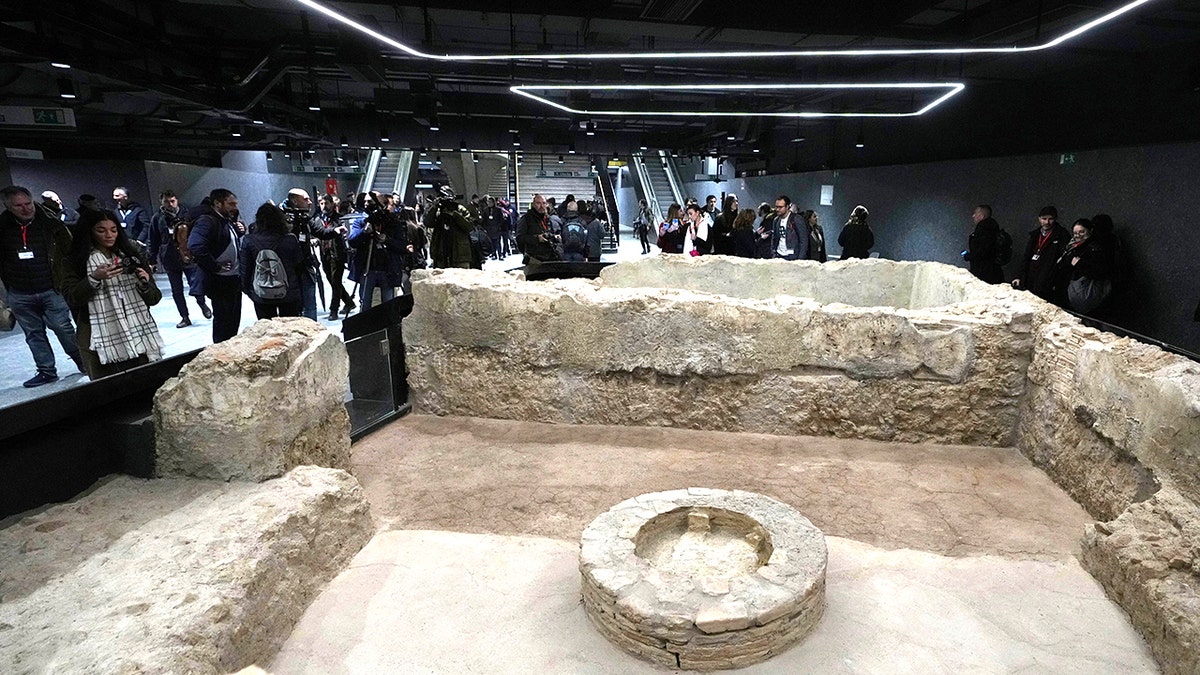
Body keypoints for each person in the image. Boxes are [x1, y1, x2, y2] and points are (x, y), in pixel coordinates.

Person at [56, 208, 163, 379]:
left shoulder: (131, 256)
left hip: (138, 331)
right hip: (96, 338)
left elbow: (154, 298)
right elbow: (72, 298)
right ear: (89, 231)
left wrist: (144, 283)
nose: (109, 235)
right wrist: (94, 278)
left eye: (113, 230)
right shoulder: (75, 261)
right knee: (108, 391)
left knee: (147, 384)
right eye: (101, 230)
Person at [0, 185, 84, 386]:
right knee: (34, 334)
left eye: (28, 203)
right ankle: (46, 371)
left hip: (51, 288)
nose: (25, 209)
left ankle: (83, 363)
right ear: (8, 206)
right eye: (18, 206)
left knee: (63, 328)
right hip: (19, 292)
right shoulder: (1, 228)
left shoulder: (50, 223)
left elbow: (69, 250)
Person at [187, 188, 244, 343]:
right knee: (224, 324)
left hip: (232, 279)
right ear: (217, 203)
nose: (235, 207)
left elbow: (226, 240)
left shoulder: (224, 220)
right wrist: (215, 266)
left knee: (232, 322)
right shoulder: (207, 220)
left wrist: (240, 231)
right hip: (220, 281)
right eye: (231, 204)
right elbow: (195, 246)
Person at [149, 190, 212, 328]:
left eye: (172, 201)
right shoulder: (157, 218)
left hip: (189, 256)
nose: (170, 204)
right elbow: (153, 240)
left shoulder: (187, 214)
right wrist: (152, 260)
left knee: (195, 284)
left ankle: (202, 304)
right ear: (161, 202)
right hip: (169, 258)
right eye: (166, 201)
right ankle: (184, 317)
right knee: (176, 291)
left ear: (177, 200)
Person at [239, 203, 304, 319]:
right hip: (288, 292)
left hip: (262, 292)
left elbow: (245, 269)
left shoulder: (249, 240)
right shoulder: (290, 239)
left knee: (266, 329)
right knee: (290, 329)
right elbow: (299, 267)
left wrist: (249, 291)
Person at [348, 192, 409, 309]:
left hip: (388, 269)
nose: (366, 204)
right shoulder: (361, 221)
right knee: (364, 305)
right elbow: (352, 241)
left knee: (388, 305)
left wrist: (387, 240)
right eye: (365, 201)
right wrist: (364, 232)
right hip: (367, 269)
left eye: (370, 201)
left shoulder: (392, 221)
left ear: (381, 204)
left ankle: (389, 327)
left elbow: (402, 246)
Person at [1053, 217, 1112, 314]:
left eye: (1082, 232)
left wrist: (1079, 264)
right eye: (1075, 233)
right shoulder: (1072, 246)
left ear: (1090, 231)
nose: (1078, 236)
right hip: (1069, 291)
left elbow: (1099, 271)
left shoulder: (1095, 248)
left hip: (1083, 292)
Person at [1012, 205, 1069, 302]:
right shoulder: (1035, 235)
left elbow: (1062, 262)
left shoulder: (1062, 235)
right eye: (1044, 219)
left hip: (1048, 281)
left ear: (1055, 219)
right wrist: (1019, 276)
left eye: (1050, 219)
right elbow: (1026, 257)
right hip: (1031, 277)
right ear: (1039, 219)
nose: (1047, 222)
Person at [424, 186, 474, 268]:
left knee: (461, 278)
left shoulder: (460, 209)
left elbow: (469, 227)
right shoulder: (438, 210)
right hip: (440, 252)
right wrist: (434, 207)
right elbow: (428, 223)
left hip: (459, 254)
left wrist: (455, 214)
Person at [962, 204, 1007, 284]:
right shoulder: (994, 229)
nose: (973, 216)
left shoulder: (983, 230)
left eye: (975, 213)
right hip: (994, 272)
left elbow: (982, 252)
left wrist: (968, 256)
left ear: (982, 216)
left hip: (983, 274)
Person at [515, 194, 561, 263]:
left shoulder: (548, 219)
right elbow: (519, 238)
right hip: (534, 259)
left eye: (544, 203)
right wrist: (537, 239)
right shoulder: (526, 219)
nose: (542, 206)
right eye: (538, 203)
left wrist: (555, 237)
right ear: (533, 204)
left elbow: (550, 234)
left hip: (550, 257)